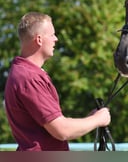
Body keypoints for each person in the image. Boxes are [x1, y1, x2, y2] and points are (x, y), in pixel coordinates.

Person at [4, 12, 111, 151]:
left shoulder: (22, 72)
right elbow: (62, 131)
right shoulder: (29, 78)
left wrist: (90, 119)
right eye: (52, 34)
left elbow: (53, 126)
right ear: (39, 40)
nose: (56, 39)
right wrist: (98, 119)